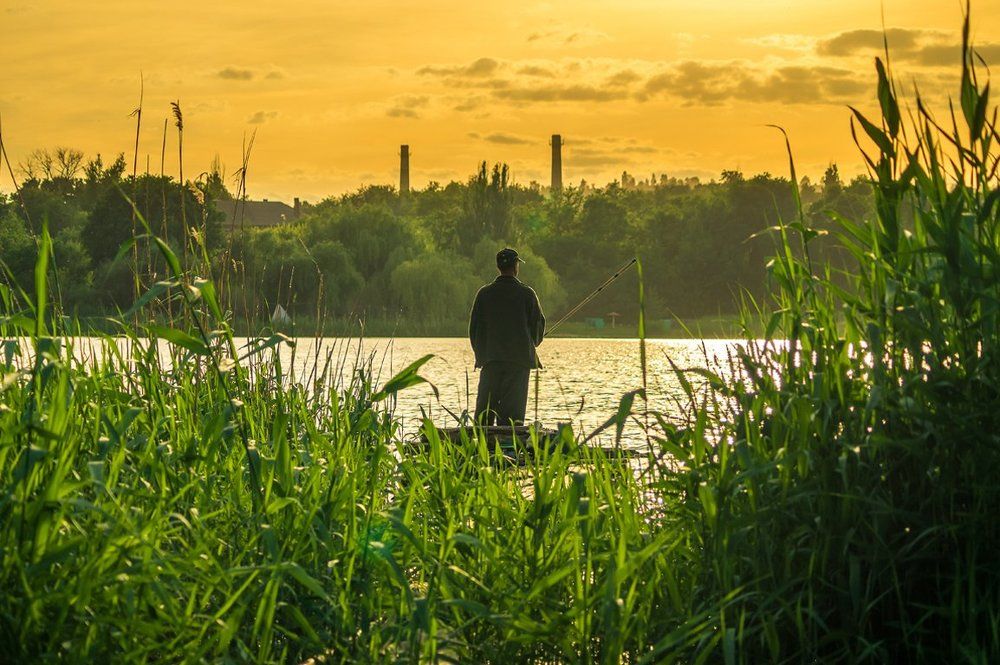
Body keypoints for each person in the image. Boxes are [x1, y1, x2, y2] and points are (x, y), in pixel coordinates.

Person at [469, 247, 545, 426]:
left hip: (490, 361)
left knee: (484, 416)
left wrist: (482, 355)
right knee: (512, 419)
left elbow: (474, 330)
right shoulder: (527, 293)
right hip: (518, 364)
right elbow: (538, 328)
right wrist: (531, 342)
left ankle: (480, 448)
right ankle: (510, 449)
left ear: (498, 266)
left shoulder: (484, 293)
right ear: (515, 266)